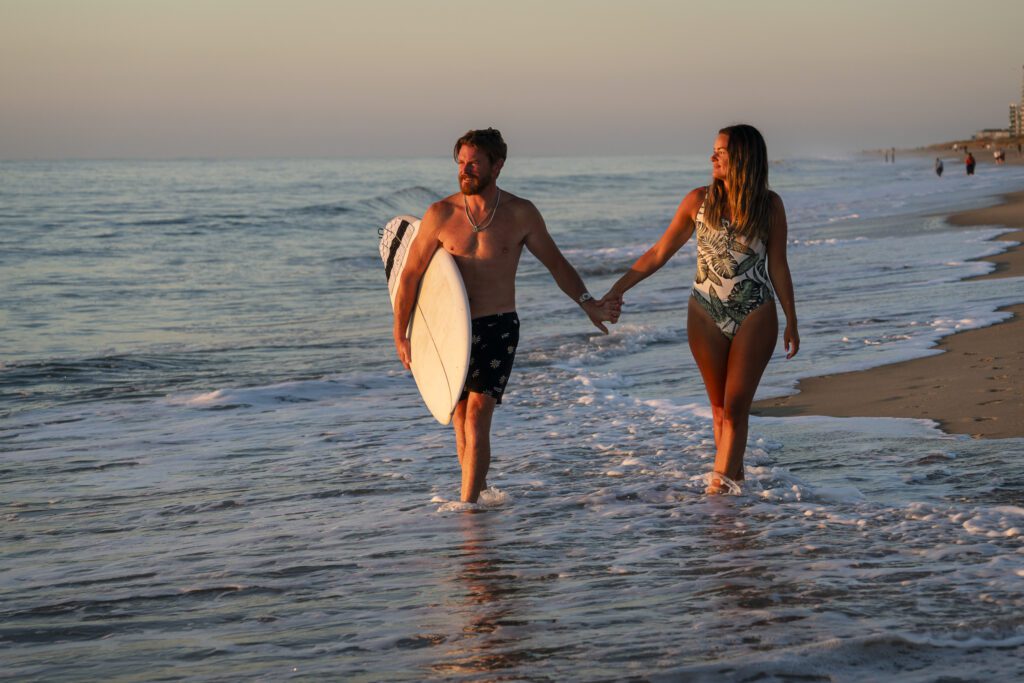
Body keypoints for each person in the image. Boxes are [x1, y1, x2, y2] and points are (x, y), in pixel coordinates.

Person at [391, 128, 620, 503]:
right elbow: (411, 276)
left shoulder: (520, 213)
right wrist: (400, 333)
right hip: (452, 329)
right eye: (461, 163)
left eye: (474, 163)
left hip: (498, 325)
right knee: (460, 416)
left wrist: (587, 302)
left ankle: (468, 508)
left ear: (497, 166)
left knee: (478, 414)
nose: (465, 170)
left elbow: (556, 264)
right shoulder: (440, 215)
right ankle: (476, 494)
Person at [603, 124, 799, 494]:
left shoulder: (769, 206)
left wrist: (792, 318)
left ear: (741, 157)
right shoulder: (698, 201)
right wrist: (618, 289)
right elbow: (659, 252)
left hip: (755, 310)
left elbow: (778, 265)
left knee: (737, 406)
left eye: (720, 152)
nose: (712, 157)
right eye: (714, 150)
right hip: (704, 311)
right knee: (720, 411)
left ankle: (716, 492)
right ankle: (733, 488)